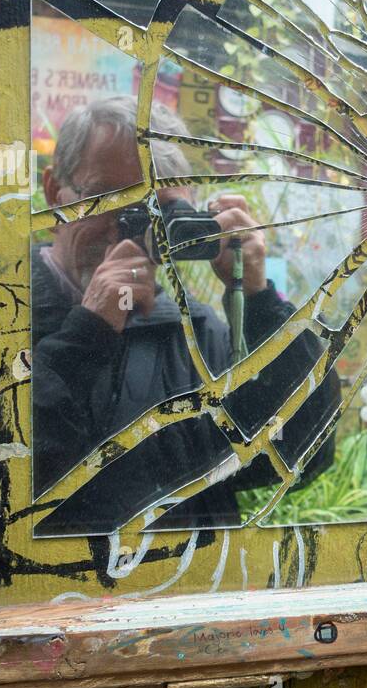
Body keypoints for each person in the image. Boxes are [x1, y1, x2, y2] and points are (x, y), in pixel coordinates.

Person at [30, 95, 336, 537]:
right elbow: (5, 481)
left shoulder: (194, 332)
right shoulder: (0, 314)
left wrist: (259, 300)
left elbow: (302, 452)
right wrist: (88, 333)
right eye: (107, 198)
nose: (129, 227)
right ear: (53, 196)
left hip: (182, 587)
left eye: (157, 211)